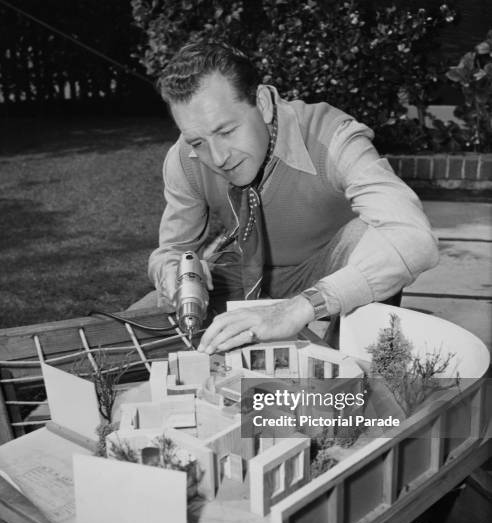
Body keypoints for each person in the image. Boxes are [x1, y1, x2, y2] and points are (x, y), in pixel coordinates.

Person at [139, 41, 438, 354]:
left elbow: (414, 238)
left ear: (264, 104)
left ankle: (347, 368)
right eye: (199, 141)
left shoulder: (334, 137)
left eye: (227, 131)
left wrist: (300, 308)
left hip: (325, 269)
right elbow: (171, 251)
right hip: (242, 269)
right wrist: (173, 273)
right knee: (169, 323)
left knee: (373, 238)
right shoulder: (184, 158)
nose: (218, 157)